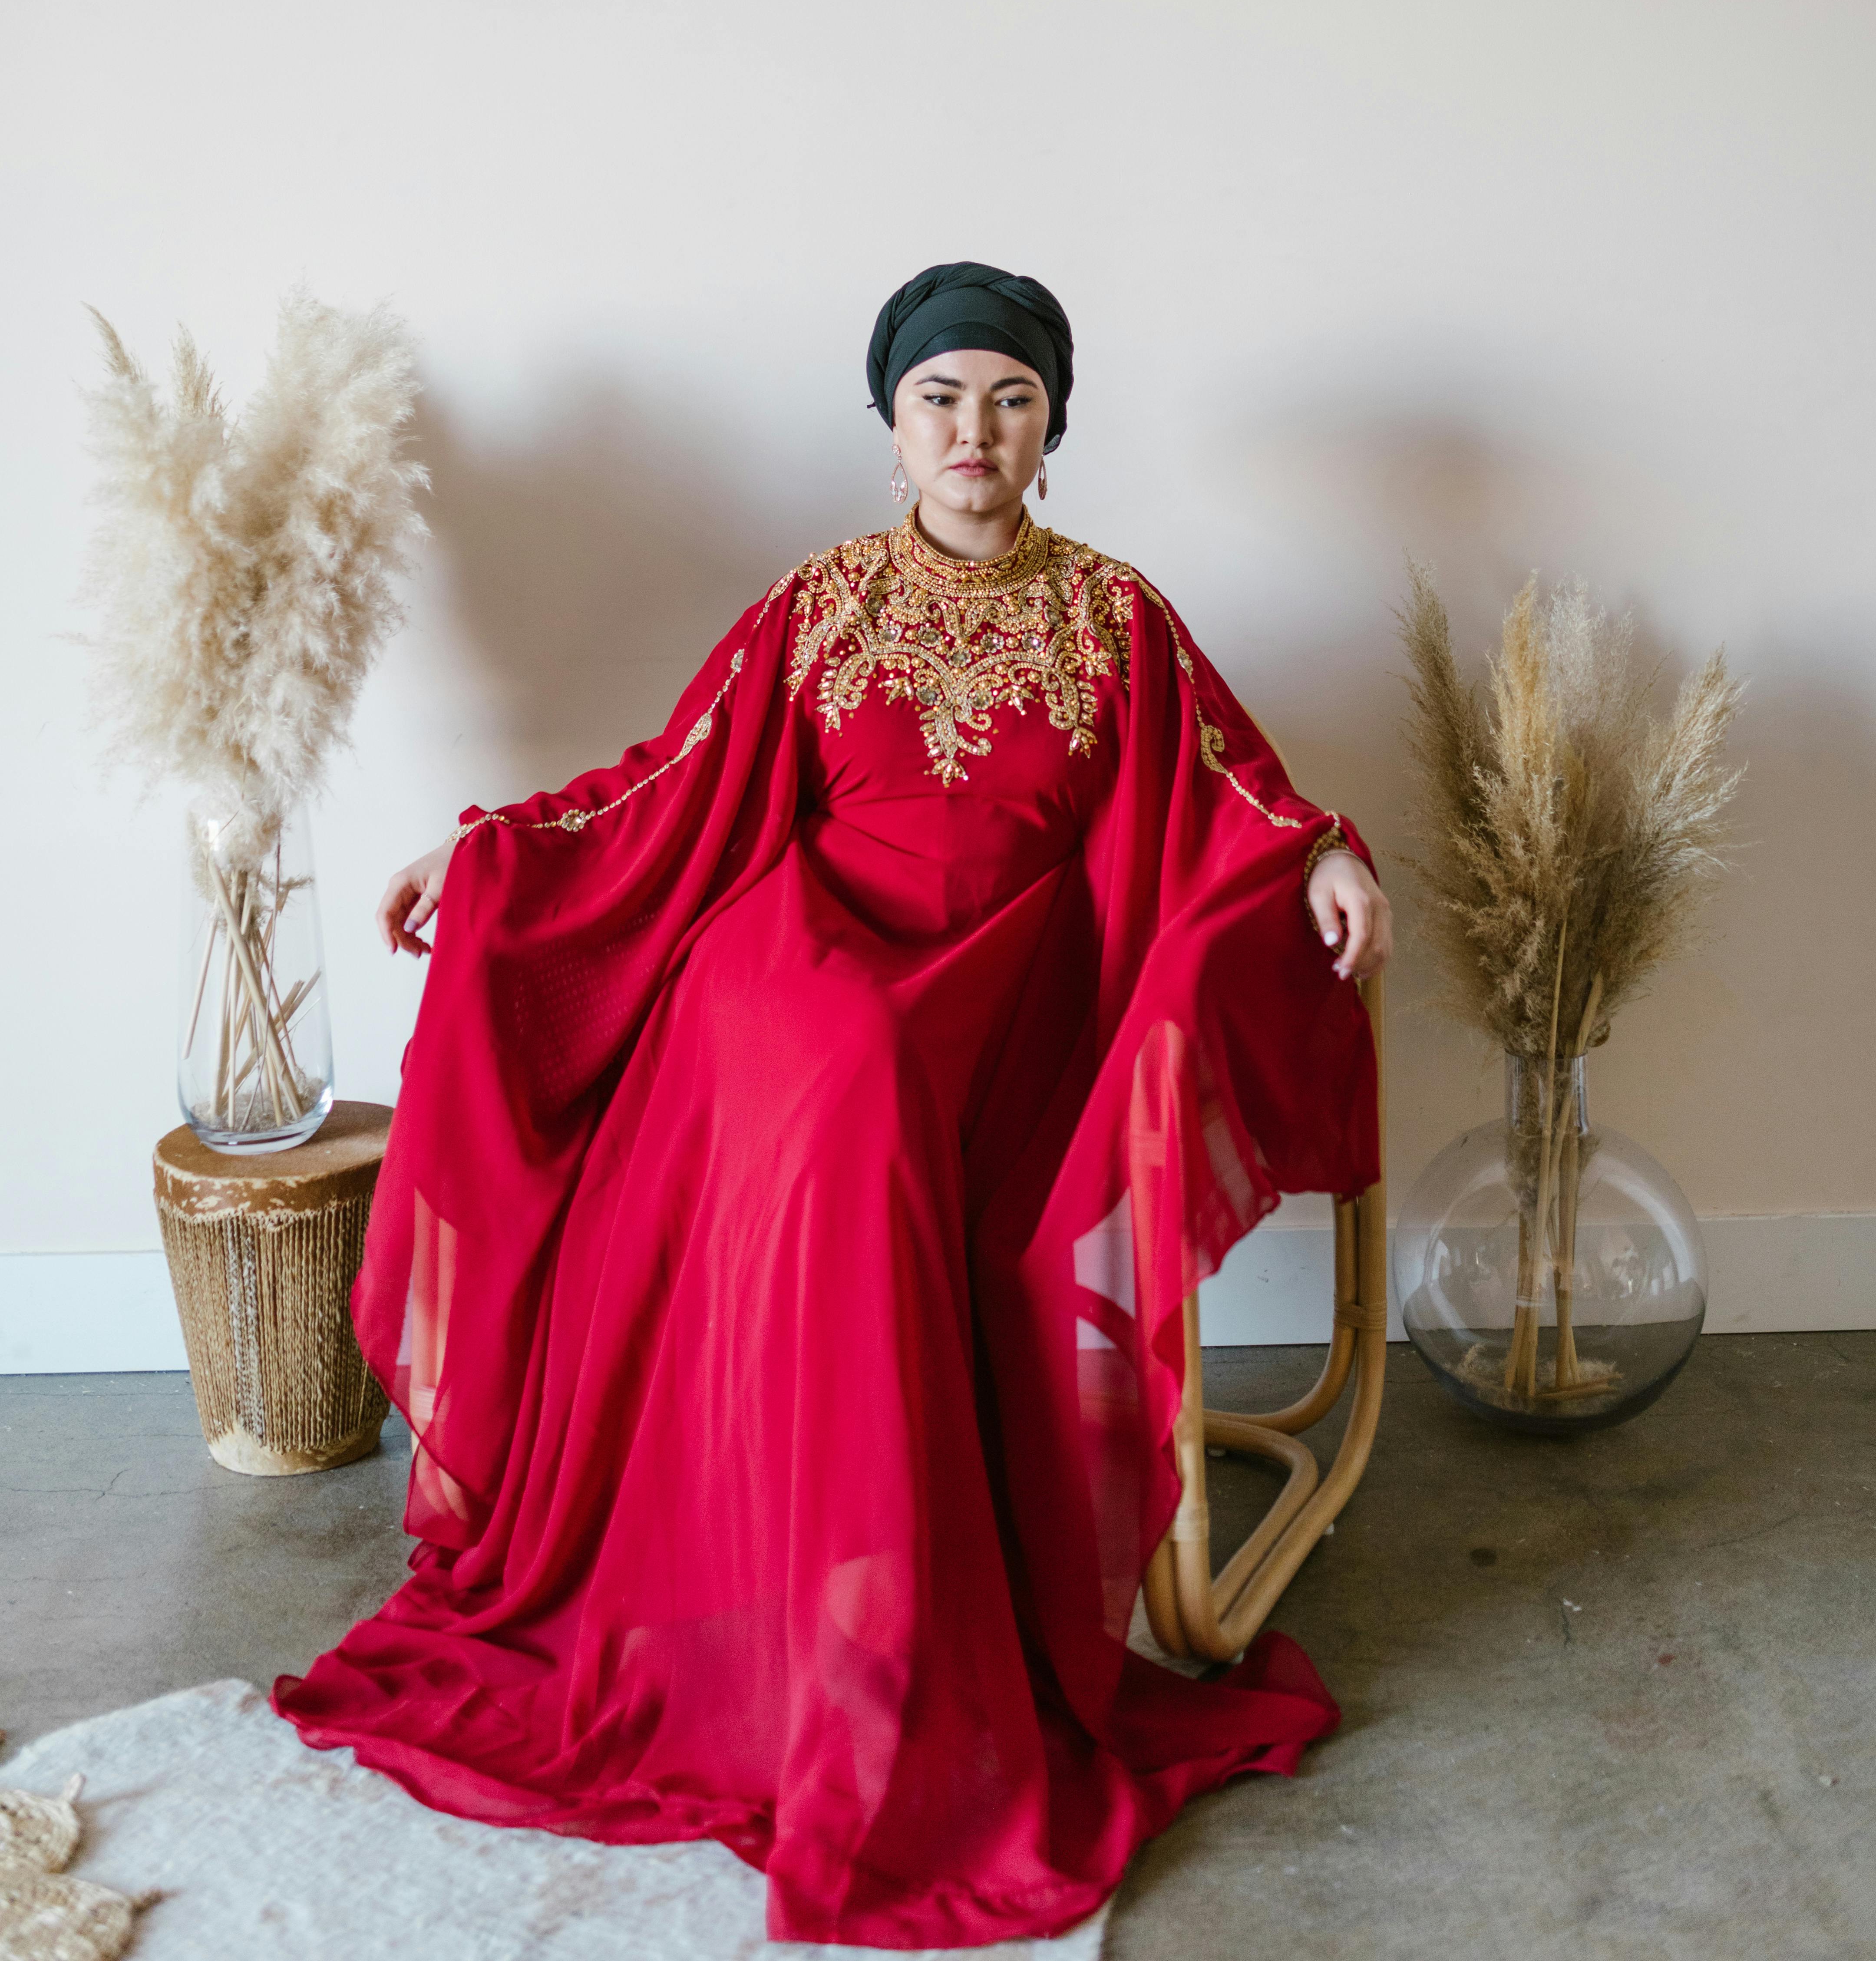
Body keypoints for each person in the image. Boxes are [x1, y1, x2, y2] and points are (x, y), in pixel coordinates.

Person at [274, 260, 1390, 1949]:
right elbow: (665, 782)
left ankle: (878, 1608)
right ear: (891, 432)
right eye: (941, 397)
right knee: (847, 1078)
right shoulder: (815, 606)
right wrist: (494, 850)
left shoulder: (1117, 617)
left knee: (881, 1091)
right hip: (797, 962)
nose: (973, 429)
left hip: (1004, 997)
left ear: (1047, 433)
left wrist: (1325, 859)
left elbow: (1238, 781)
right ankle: (811, 1594)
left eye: (1009, 399)